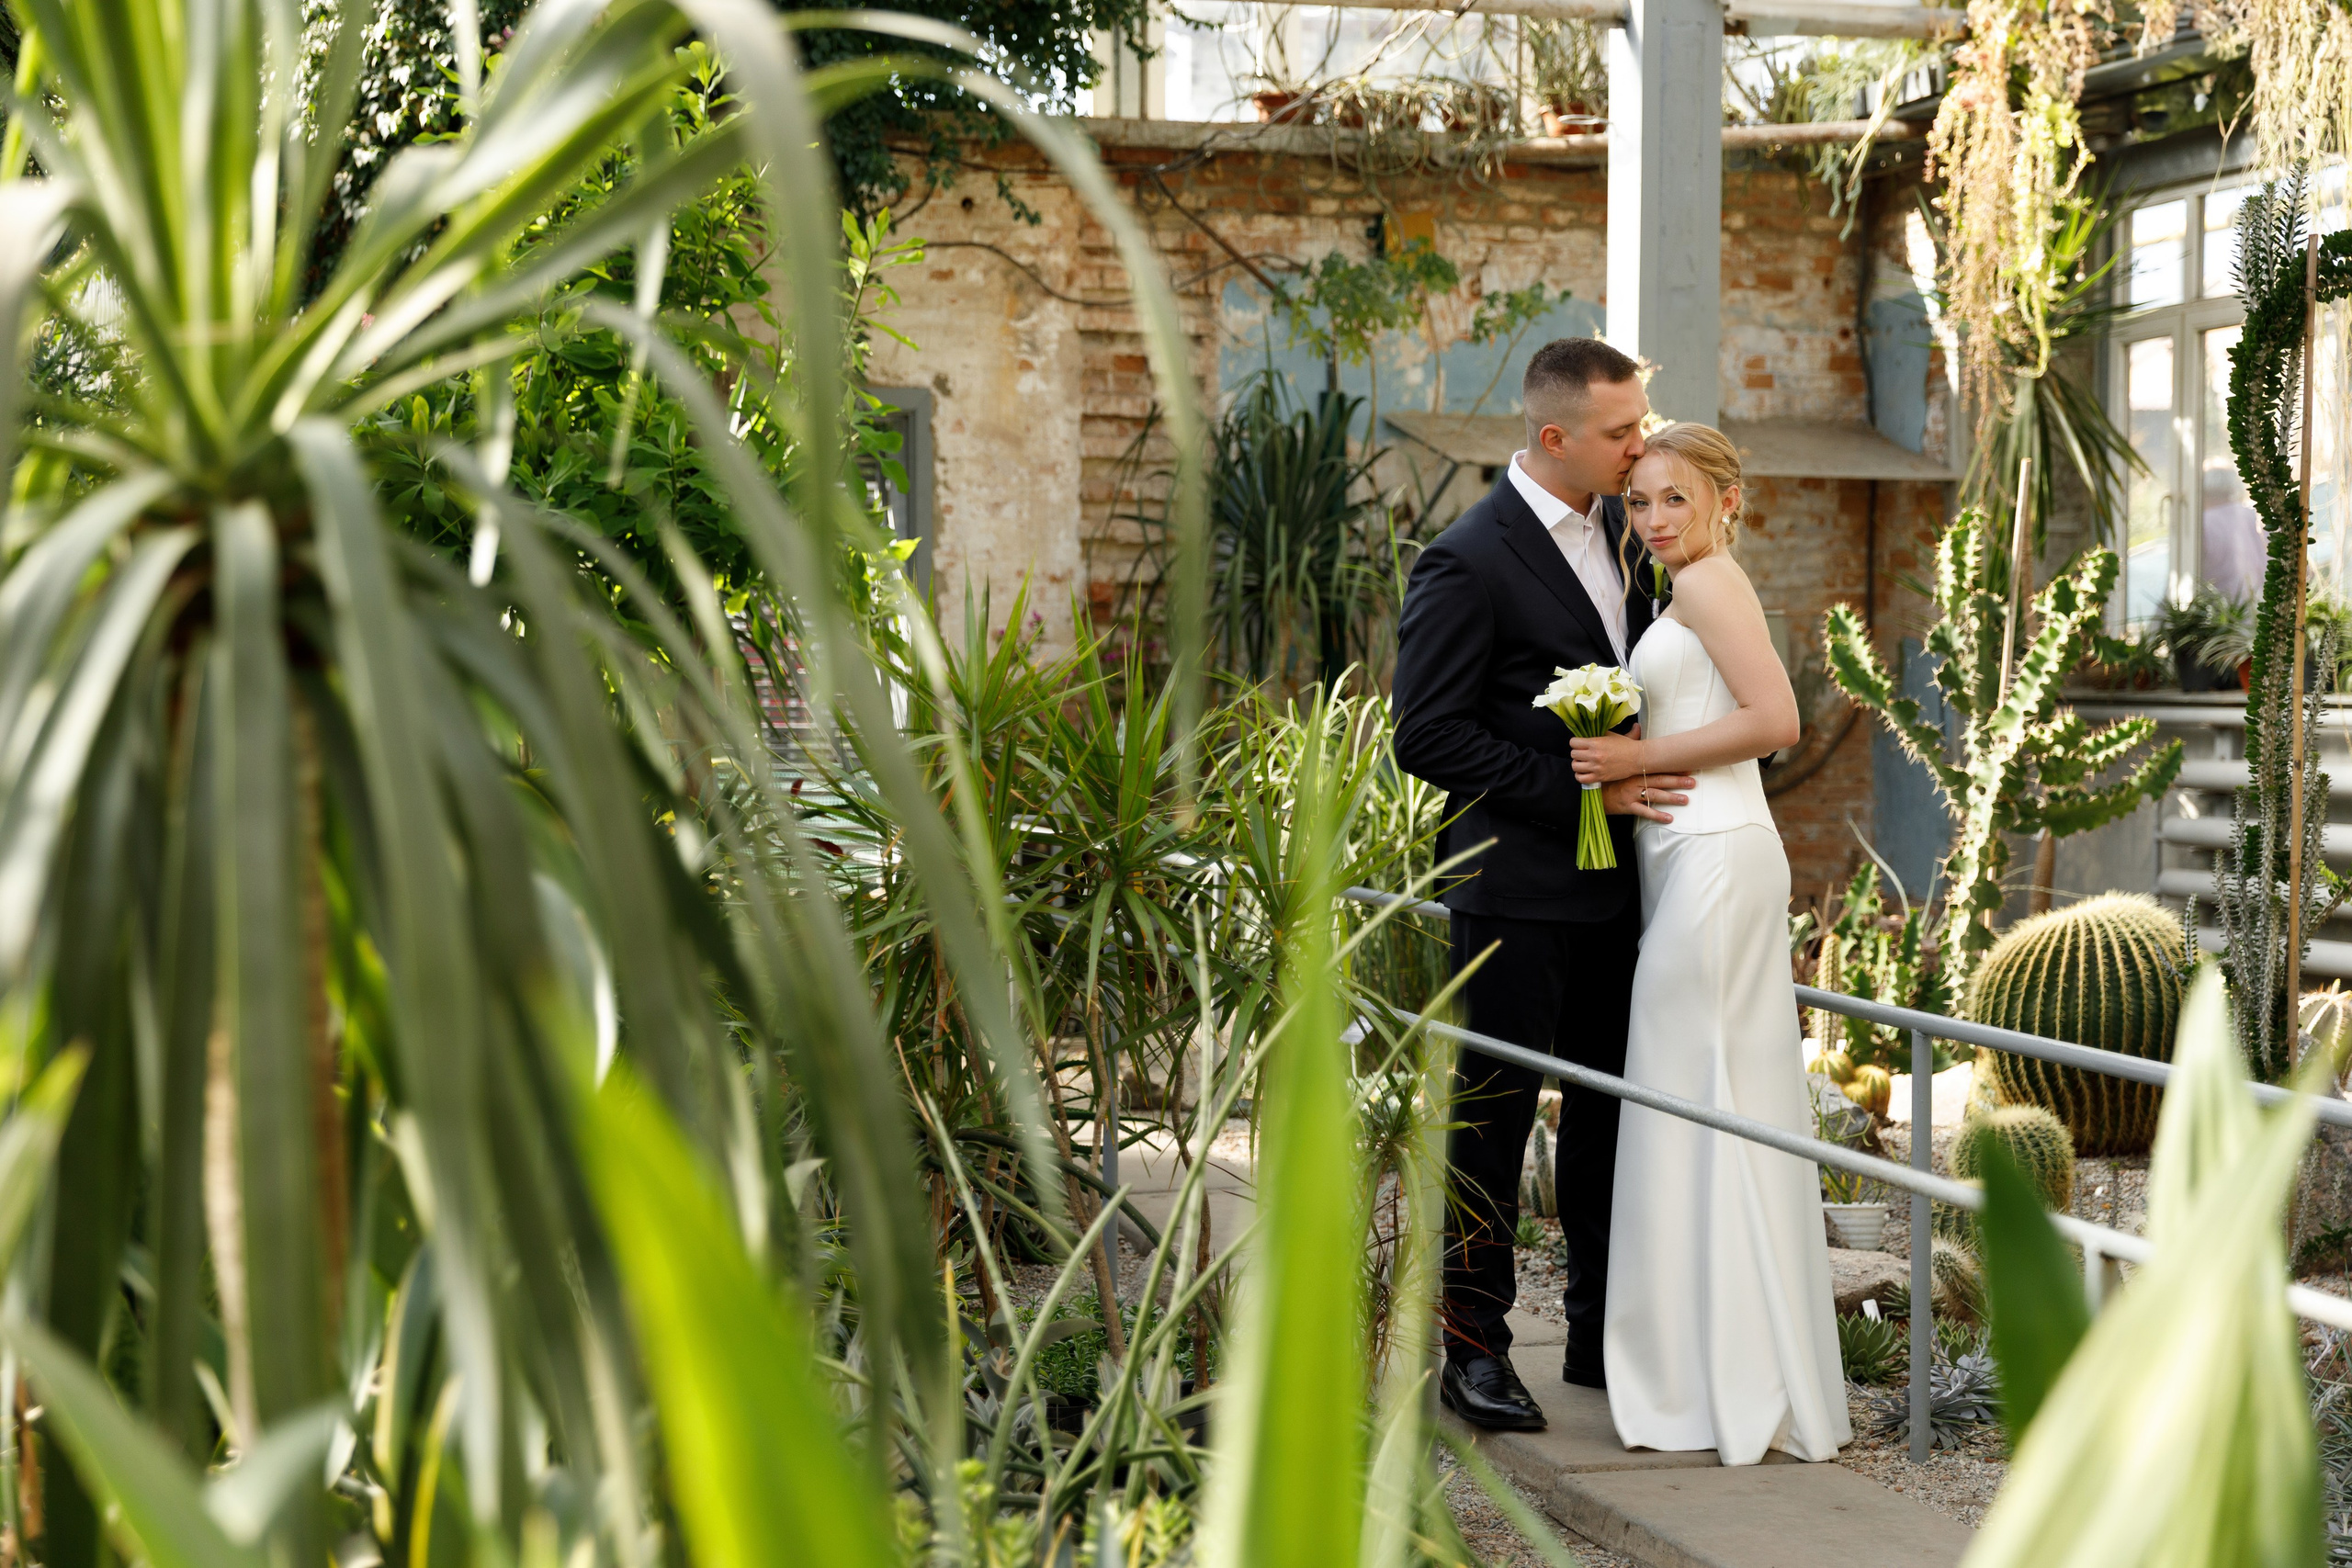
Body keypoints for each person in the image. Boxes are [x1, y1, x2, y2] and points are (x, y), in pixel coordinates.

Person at [1392, 339, 1697, 1433]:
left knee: (1610, 1119)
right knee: (1492, 1121)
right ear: (1554, 436)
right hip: (1510, 891)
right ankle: (1471, 1352)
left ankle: (1596, 1336)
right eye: (1622, 432)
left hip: (1623, 893)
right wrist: (1577, 790)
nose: (1640, 446)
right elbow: (1424, 736)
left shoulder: (1631, 529)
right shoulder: (1466, 559)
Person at [1569, 423, 1850, 1464]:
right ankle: (1711, 1368)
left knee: (1689, 1101)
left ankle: (1711, 1381)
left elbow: (1774, 719)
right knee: (1706, 1104)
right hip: (1689, 855)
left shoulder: (1708, 586)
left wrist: (1631, 755)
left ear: (1726, 500)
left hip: (1720, 861)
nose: (1651, 521)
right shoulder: (1682, 586)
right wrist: (1635, 777)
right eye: (1638, 502)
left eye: (1673, 499)